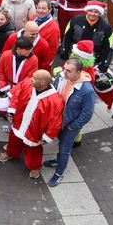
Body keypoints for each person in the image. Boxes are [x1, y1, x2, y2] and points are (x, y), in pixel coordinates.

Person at [0, 70, 64, 179]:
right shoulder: (27, 83)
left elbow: (55, 122)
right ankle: (10, 153)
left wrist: (47, 137)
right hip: (19, 122)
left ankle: (35, 166)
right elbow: (16, 95)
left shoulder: (55, 101)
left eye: (34, 78)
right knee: (13, 140)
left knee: (33, 150)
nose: (31, 79)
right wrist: (11, 111)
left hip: (35, 131)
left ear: (43, 82)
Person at [43, 58, 96, 187]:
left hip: (70, 125)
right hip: (57, 121)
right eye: (65, 68)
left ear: (79, 72)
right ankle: (58, 161)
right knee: (60, 144)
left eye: (69, 71)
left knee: (64, 149)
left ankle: (59, 173)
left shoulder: (87, 90)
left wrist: (73, 126)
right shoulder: (61, 77)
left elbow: (87, 113)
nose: (65, 72)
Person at [60, 0, 113, 73]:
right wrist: (64, 52)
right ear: (87, 11)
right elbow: (67, 37)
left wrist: (104, 65)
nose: (92, 14)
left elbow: (108, 48)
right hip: (75, 57)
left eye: (96, 12)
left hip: (93, 61)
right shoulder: (75, 20)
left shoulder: (107, 28)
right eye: (90, 11)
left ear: (100, 13)